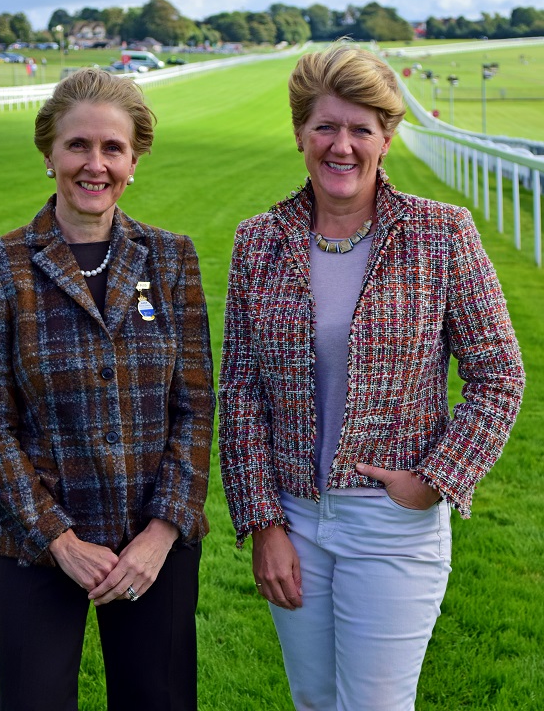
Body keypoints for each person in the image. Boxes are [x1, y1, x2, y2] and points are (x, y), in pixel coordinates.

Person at [218, 44, 525, 711]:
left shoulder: (440, 234)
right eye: (326, 126)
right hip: (294, 521)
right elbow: (241, 393)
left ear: (387, 136)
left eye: (362, 129)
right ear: (301, 132)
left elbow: (499, 375)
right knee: (315, 701)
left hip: (391, 524)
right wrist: (263, 523)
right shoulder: (258, 241)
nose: (342, 146)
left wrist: (436, 481)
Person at [0, 68, 215, 711]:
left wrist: (160, 534)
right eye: (78, 146)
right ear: (49, 153)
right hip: (37, 546)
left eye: (112, 148)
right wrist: (59, 541)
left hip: (152, 548)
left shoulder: (171, 258)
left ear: (134, 160)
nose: (93, 164)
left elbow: (196, 407)